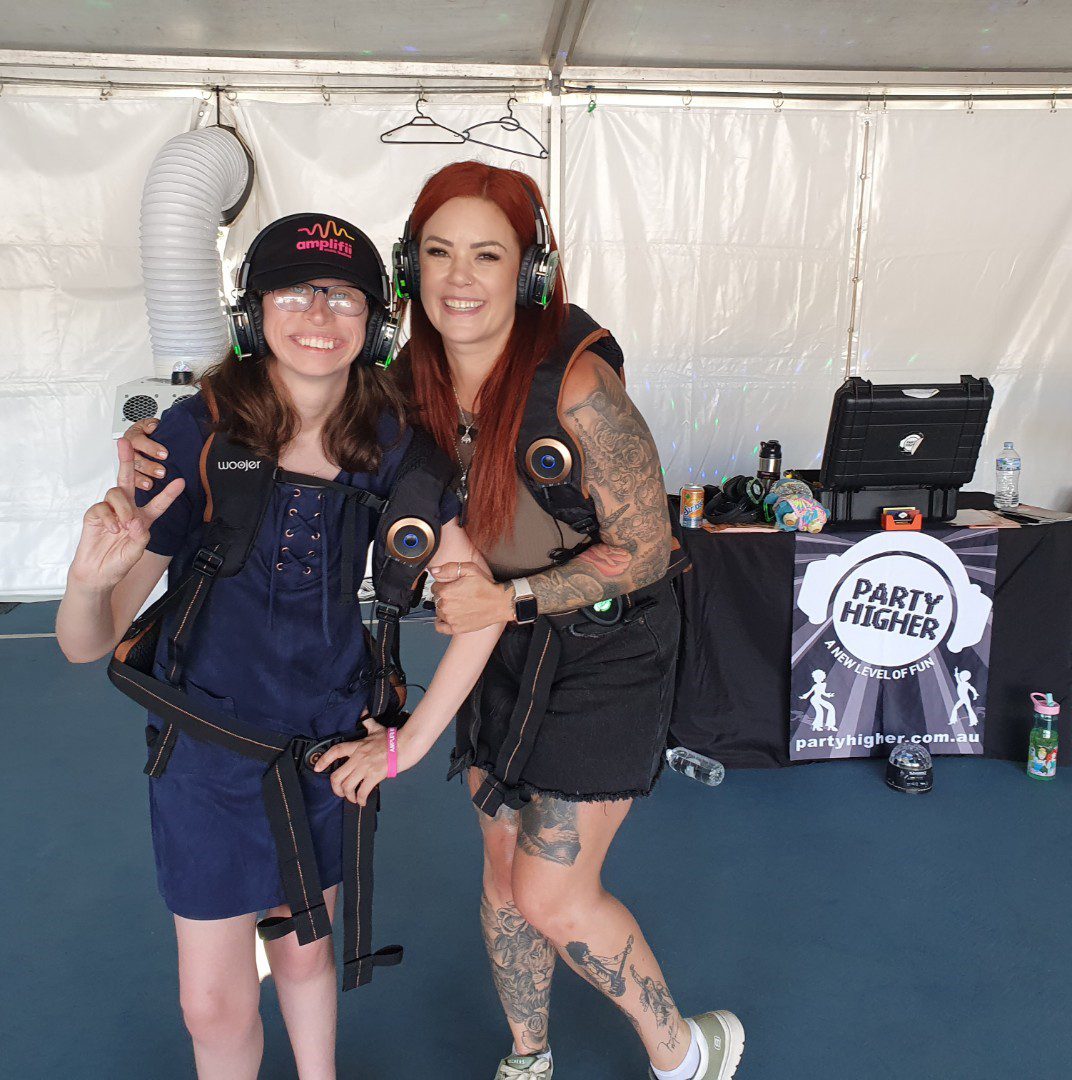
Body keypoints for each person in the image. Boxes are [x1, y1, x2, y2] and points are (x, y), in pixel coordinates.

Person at [56, 212, 503, 1080]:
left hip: (323, 749)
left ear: (375, 322)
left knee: (303, 955)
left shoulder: (397, 447)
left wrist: (403, 746)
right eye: (293, 290)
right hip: (206, 757)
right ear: (251, 311)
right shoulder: (197, 434)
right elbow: (86, 646)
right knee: (210, 1003)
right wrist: (85, 582)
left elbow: (479, 611)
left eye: (343, 295)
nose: (317, 313)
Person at [393, 163, 745, 1080]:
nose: (459, 278)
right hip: (499, 647)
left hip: (610, 646)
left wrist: (507, 598)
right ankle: (529, 1055)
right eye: (437, 253)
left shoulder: (578, 387)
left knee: (550, 890)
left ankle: (685, 1050)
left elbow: (648, 547)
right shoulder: (407, 384)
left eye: (486, 254)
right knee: (503, 872)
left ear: (530, 270)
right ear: (409, 269)